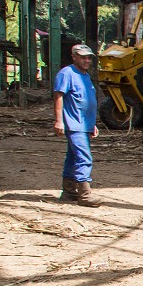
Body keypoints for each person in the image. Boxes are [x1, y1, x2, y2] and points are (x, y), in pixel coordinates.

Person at [53, 44, 104, 207]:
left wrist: (92, 124)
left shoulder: (86, 75)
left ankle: (68, 191)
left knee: (73, 157)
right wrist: (59, 120)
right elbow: (58, 96)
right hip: (74, 124)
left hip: (84, 124)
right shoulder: (67, 73)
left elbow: (87, 100)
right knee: (84, 157)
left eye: (89, 57)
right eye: (83, 57)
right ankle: (85, 195)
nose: (87, 60)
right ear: (74, 57)